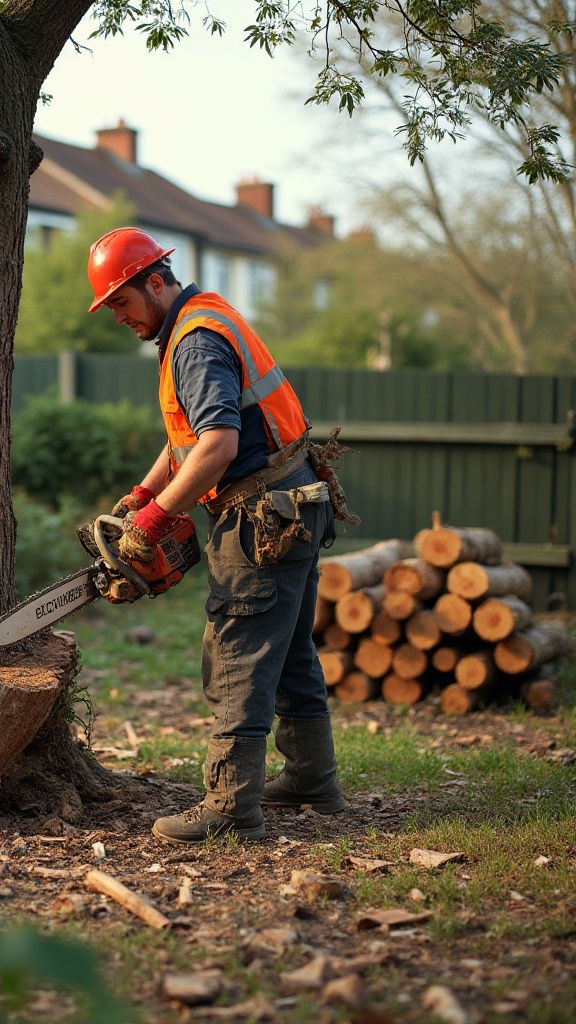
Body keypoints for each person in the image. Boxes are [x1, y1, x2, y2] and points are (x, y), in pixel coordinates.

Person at [87, 227, 350, 845]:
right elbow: (187, 437)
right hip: (294, 499)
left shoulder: (194, 341)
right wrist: (143, 496)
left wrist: (151, 526)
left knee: (237, 652)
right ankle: (313, 777)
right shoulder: (203, 318)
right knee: (284, 650)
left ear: (154, 282)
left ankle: (232, 803)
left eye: (121, 302)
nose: (119, 317)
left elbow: (218, 446)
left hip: (262, 514)